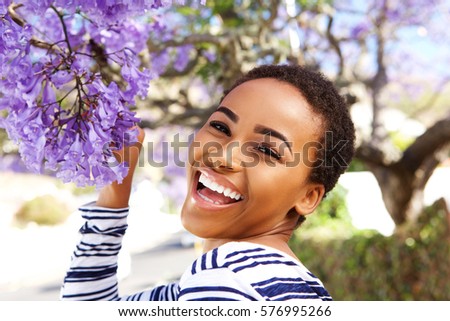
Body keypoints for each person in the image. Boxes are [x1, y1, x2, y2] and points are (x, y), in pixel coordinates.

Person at [60, 64, 355, 301]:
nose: (222, 155)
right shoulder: (270, 281)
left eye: (266, 150)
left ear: (308, 197)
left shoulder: (226, 278)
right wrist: (116, 185)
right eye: (220, 126)